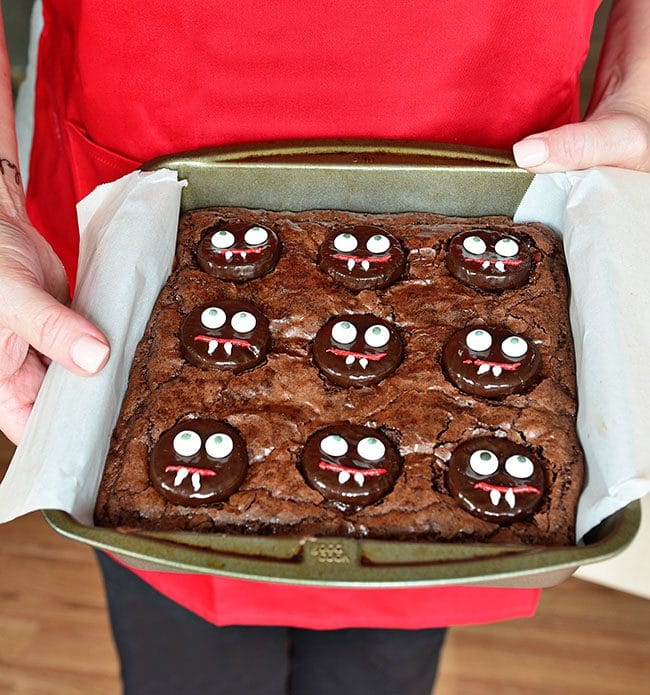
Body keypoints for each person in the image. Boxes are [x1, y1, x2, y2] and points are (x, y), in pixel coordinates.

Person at [1, 1, 648, 693]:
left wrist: (635, 77)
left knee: (385, 659)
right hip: (156, 150)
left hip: (489, 142)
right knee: (183, 656)